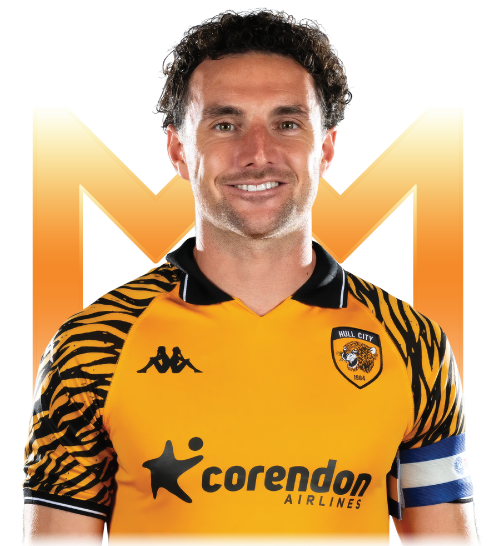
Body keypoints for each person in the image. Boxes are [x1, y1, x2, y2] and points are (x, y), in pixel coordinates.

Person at [22, 8, 478, 546]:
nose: (257, 153)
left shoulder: (413, 344)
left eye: (287, 123)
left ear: (326, 147)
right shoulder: (94, 344)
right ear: (178, 149)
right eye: (225, 124)